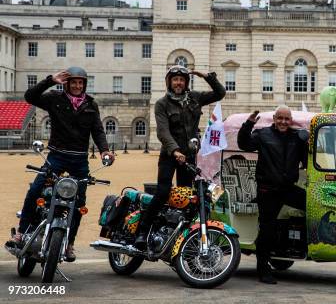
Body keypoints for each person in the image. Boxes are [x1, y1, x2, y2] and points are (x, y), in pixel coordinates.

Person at [7, 67, 113, 261]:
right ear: (67, 83)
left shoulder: (91, 104)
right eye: (73, 82)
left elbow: (97, 130)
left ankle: (69, 243)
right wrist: (50, 80)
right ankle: (22, 232)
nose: (77, 86)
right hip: (56, 156)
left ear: (85, 85)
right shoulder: (55, 98)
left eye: (80, 83)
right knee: (35, 190)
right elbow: (30, 96)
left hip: (80, 160)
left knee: (79, 203)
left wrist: (104, 149)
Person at [135, 66, 225, 248]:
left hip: (189, 156)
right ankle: (143, 231)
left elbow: (220, 93)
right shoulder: (162, 104)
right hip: (170, 155)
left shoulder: (195, 98)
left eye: (181, 80)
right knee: (162, 192)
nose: (178, 83)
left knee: (186, 195)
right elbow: (162, 131)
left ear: (186, 83)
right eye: (175, 79)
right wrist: (175, 150)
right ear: (169, 82)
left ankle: (178, 232)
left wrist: (206, 76)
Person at [237, 105, 308, 285]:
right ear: (275, 119)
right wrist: (248, 124)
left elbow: (308, 160)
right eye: (280, 118)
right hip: (267, 189)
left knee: (313, 205)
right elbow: (244, 144)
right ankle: (263, 269)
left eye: (287, 119)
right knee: (267, 228)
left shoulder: (297, 137)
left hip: (288, 188)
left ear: (290, 120)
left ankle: (298, 246)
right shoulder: (262, 135)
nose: (283, 122)